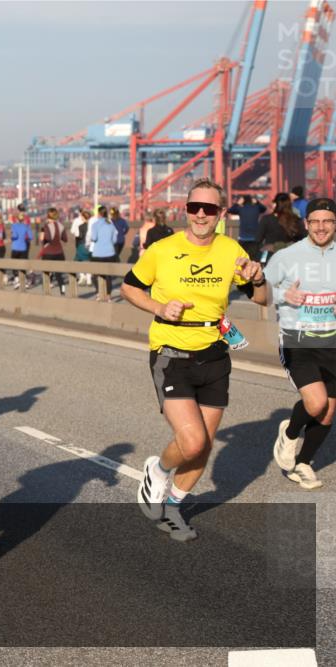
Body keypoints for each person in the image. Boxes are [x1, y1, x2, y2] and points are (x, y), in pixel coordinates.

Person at [122, 178, 268, 541]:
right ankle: (157, 471)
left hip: (216, 353)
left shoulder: (231, 249)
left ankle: (173, 507)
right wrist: (158, 306)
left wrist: (259, 277)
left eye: (210, 209)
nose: (201, 215)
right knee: (192, 442)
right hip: (171, 352)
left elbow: (262, 298)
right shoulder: (162, 249)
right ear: (185, 210)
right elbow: (128, 286)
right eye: (194, 208)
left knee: (204, 442)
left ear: (221, 213)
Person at [266, 197, 336, 489]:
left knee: (329, 410)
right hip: (298, 340)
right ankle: (290, 433)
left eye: (328, 222)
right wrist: (284, 296)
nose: (321, 228)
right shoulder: (287, 256)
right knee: (316, 402)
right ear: (307, 224)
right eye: (315, 222)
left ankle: (304, 464)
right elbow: (263, 292)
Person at [257, 192, 306, 265]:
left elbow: (258, 239)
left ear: (276, 204)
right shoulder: (296, 220)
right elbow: (303, 238)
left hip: (272, 256)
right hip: (291, 257)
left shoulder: (267, 219)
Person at [89, 206, 118, 301]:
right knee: (108, 276)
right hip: (110, 253)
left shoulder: (95, 224)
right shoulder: (111, 224)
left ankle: (99, 293)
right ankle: (108, 296)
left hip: (98, 253)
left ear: (99, 214)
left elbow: (94, 238)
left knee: (94, 275)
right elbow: (114, 239)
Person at [39, 207, 68, 293]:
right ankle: (62, 289)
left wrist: (42, 230)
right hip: (59, 252)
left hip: (48, 252)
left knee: (46, 273)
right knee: (59, 274)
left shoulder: (46, 226)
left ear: (48, 215)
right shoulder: (61, 226)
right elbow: (65, 239)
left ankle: (47, 292)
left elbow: (43, 239)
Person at [9, 208, 33, 288]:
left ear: (17, 219)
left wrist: (12, 238)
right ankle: (24, 281)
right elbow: (31, 237)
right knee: (23, 264)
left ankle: (16, 279)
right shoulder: (26, 226)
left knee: (14, 264)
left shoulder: (14, 225)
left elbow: (14, 236)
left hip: (15, 247)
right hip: (23, 247)